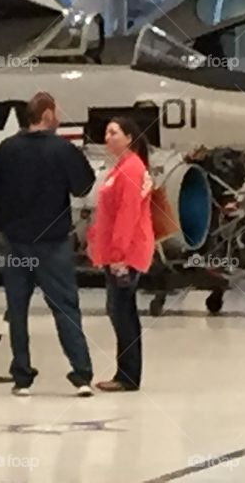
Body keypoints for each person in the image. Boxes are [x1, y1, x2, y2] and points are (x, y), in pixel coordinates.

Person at [0, 93, 97, 397]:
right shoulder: (63, 150)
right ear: (47, 115)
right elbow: (83, 186)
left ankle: (22, 377)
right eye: (56, 111)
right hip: (53, 245)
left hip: (17, 245)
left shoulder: (5, 151)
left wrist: (8, 228)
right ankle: (82, 374)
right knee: (65, 307)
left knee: (17, 310)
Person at [87, 117, 155, 392]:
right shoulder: (123, 167)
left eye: (113, 132)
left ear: (129, 137)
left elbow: (127, 214)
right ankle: (126, 372)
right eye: (106, 132)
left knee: (121, 311)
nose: (108, 138)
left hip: (125, 253)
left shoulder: (130, 169)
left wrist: (118, 255)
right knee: (120, 311)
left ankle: (127, 376)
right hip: (117, 250)